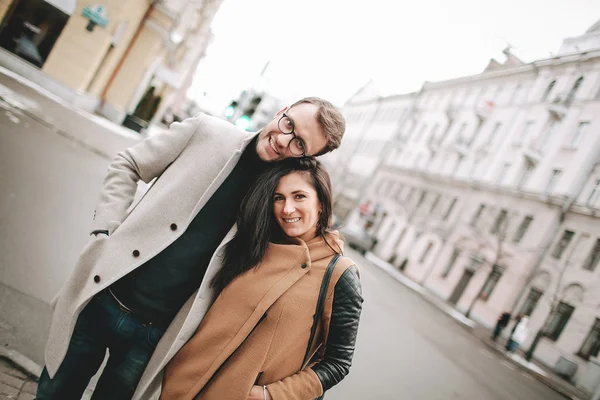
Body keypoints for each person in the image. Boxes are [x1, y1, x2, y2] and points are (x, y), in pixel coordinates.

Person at [37, 97, 346, 400]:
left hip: (155, 337)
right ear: (282, 111)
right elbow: (128, 164)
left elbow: (298, 239)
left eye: (300, 144)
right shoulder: (207, 131)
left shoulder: (276, 198)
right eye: (288, 123)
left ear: (307, 158)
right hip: (102, 295)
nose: (283, 138)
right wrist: (105, 228)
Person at [160, 158, 363, 400]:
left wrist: (271, 395)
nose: (287, 209)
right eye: (279, 198)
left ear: (320, 202)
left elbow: (338, 363)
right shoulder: (255, 244)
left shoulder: (339, 274)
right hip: (181, 388)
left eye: (299, 196)